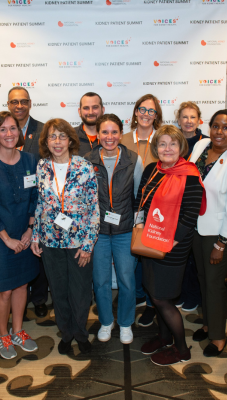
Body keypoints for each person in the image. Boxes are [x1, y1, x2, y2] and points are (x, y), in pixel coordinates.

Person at [136, 125, 204, 366]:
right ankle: (164, 337)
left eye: (172, 144)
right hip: (149, 240)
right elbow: (141, 201)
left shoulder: (190, 174)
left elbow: (190, 216)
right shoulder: (150, 170)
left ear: (181, 147)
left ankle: (181, 349)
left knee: (164, 298)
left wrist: (168, 243)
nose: (167, 148)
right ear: (156, 148)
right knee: (154, 293)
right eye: (162, 144)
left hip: (173, 245)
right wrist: (141, 228)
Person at [30, 118, 99, 355]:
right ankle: (66, 333)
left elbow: (93, 208)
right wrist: (36, 237)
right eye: (52, 136)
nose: (57, 141)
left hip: (79, 242)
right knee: (58, 291)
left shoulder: (84, 166)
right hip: (50, 241)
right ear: (46, 141)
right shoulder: (41, 167)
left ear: (70, 140)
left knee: (80, 292)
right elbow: (40, 204)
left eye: (62, 136)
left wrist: (88, 245)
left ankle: (81, 333)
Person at [0, 111, 40, 360]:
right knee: (3, 291)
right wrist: (7, 239)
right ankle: (3, 334)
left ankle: (18, 331)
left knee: (22, 284)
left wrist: (30, 229)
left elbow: (36, 197)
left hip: (24, 234)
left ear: (20, 132)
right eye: (3, 130)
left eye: (13, 128)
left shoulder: (30, 160)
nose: (9, 134)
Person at [189, 110, 227, 357]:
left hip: (219, 235)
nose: (219, 132)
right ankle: (207, 323)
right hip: (197, 227)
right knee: (203, 279)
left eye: (226, 128)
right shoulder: (202, 145)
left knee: (214, 284)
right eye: (215, 126)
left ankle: (218, 337)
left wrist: (222, 244)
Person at [84, 114, 143, 345]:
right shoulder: (87, 160)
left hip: (125, 230)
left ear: (121, 133)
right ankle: (107, 322)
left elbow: (139, 195)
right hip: (98, 232)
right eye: (105, 132)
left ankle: (126, 323)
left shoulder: (133, 159)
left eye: (114, 132)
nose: (110, 137)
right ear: (97, 135)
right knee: (100, 281)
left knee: (127, 280)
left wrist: (138, 222)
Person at [7, 86, 49, 318]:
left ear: (30, 103)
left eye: (23, 101)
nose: (19, 106)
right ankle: (15, 299)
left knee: (37, 251)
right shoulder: (1, 129)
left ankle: (40, 298)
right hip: (10, 204)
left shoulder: (42, 130)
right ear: (8, 105)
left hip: (37, 201)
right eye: (14, 102)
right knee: (15, 249)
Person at [123, 94, 163, 326]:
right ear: (135, 112)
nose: (146, 114)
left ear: (157, 116)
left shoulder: (163, 139)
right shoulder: (124, 138)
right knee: (133, 254)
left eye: (152, 111)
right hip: (128, 206)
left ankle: (150, 303)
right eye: (143, 109)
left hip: (156, 208)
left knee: (150, 258)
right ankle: (138, 294)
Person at [174, 101, 206, 313]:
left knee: (195, 256)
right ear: (178, 120)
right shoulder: (172, 141)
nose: (188, 121)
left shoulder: (208, 143)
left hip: (199, 203)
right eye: (184, 117)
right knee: (178, 253)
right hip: (175, 204)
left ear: (199, 120)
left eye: (192, 117)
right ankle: (180, 292)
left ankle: (193, 295)